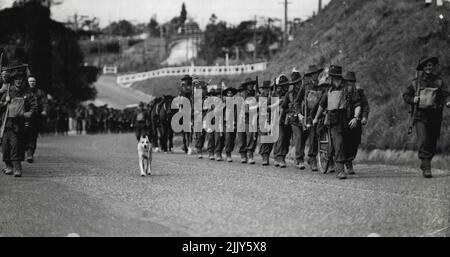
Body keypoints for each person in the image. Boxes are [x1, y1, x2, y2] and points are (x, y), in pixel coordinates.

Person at [403, 56, 450, 178]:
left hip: (435, 117)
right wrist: (413, 99)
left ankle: (425, 163)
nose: (429, 68)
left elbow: (445, 94)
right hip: (420, 116)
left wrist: (448, 102)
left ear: (433, 67)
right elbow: (406, 95)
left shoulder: (439, 81)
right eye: (426, 66)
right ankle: (427, 168)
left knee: (432, 143)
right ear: (423, 68)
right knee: (424, 140)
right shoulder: (415, 83)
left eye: (430, 65)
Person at [313, 65, 362, 180]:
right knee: (338, 143)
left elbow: (357, 104)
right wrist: (316, 118)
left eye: (330, 76)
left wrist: (355, 117)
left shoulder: (349, 88)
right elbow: (322, 105)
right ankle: (340, 170)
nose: (329, 78)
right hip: (333, 121)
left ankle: (341, 162)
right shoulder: (329, 89)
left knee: (347, 144)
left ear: (334, 77)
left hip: (347, 120)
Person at [0, 68, 38, 177]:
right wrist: (4, 102)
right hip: (7, 122)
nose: (18, 81)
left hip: (19, 124)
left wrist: (29, 113)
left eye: (20, 79)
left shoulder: (27, 92)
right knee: (5, 147)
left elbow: (34, 106)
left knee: (16, 145)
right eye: (16, 79)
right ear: (13, 80)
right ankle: (8, 166)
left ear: (23, 80)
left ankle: (17, 168)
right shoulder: (8, 91)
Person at [291, 65, 325, 171]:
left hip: (318, 115)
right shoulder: (305, 86)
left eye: (316, 73)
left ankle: (313, 159)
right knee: (303, 137)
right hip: (306, 115)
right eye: (313, 74)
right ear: (310, 75)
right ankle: (301, 159)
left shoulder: (322, 85)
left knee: (314, 137)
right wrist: (299, 114)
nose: (315, 75)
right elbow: (297, 101)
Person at [343, 71, 370, 174]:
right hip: (344, 121)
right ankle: (347, 163)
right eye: (348, 82)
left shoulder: (359, 93)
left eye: (352, 82)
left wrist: (364, 117)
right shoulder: (342, 92)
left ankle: (350, 159)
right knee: (345, 142)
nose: (350, 84)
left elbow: (365, 106)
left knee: (356, 141)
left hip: (356, 121)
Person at [24, 75, 48, 163]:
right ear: (27, 82)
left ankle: (30, 153)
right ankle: (26, 152)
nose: (32, 83)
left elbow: (44, 102)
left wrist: (44, 110)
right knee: (25, 134)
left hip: (36, 117)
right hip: (24, 116)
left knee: (33, 135)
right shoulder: (24, 92)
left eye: (33, 81)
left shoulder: (40, 92)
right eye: (30, 81)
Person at [236, 79, 258, 164]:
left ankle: (250, 154)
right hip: (242, 118)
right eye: (249, 85)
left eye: (252, 84)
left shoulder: (256, 94)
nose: (250, 86)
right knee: (242, 138)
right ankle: (243, 155)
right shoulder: (242, 95)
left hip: (252, 118)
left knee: (251, 137)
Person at [274, 74, 292, 168]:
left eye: (286, 85)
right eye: (282, 85)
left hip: (288, 118)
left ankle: (282, 156)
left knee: (287, 139)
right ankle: (279, 157)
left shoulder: (289, 94)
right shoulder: (274, 95)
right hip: (277, 119)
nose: (284, 87)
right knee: (280, 138)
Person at [258, 80, 275, 166]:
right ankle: (264, 155)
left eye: (269, 89)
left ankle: (267, 153)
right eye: (266, 89)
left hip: (271, 119)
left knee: (271, 139)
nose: (268, 90)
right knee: (264, 138)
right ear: (263, 90)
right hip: (262, 120)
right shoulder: (260, 97)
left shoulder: (272, 96)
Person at [223, 86, 238, 162]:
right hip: (226, 122)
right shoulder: (223, 103)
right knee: (228, 138)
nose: (230, 94)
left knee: (232, 138)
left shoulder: (235, 103)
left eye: (231, 93)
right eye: (228, 93)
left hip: (234, 122)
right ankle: (228, 153)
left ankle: (230, 150)